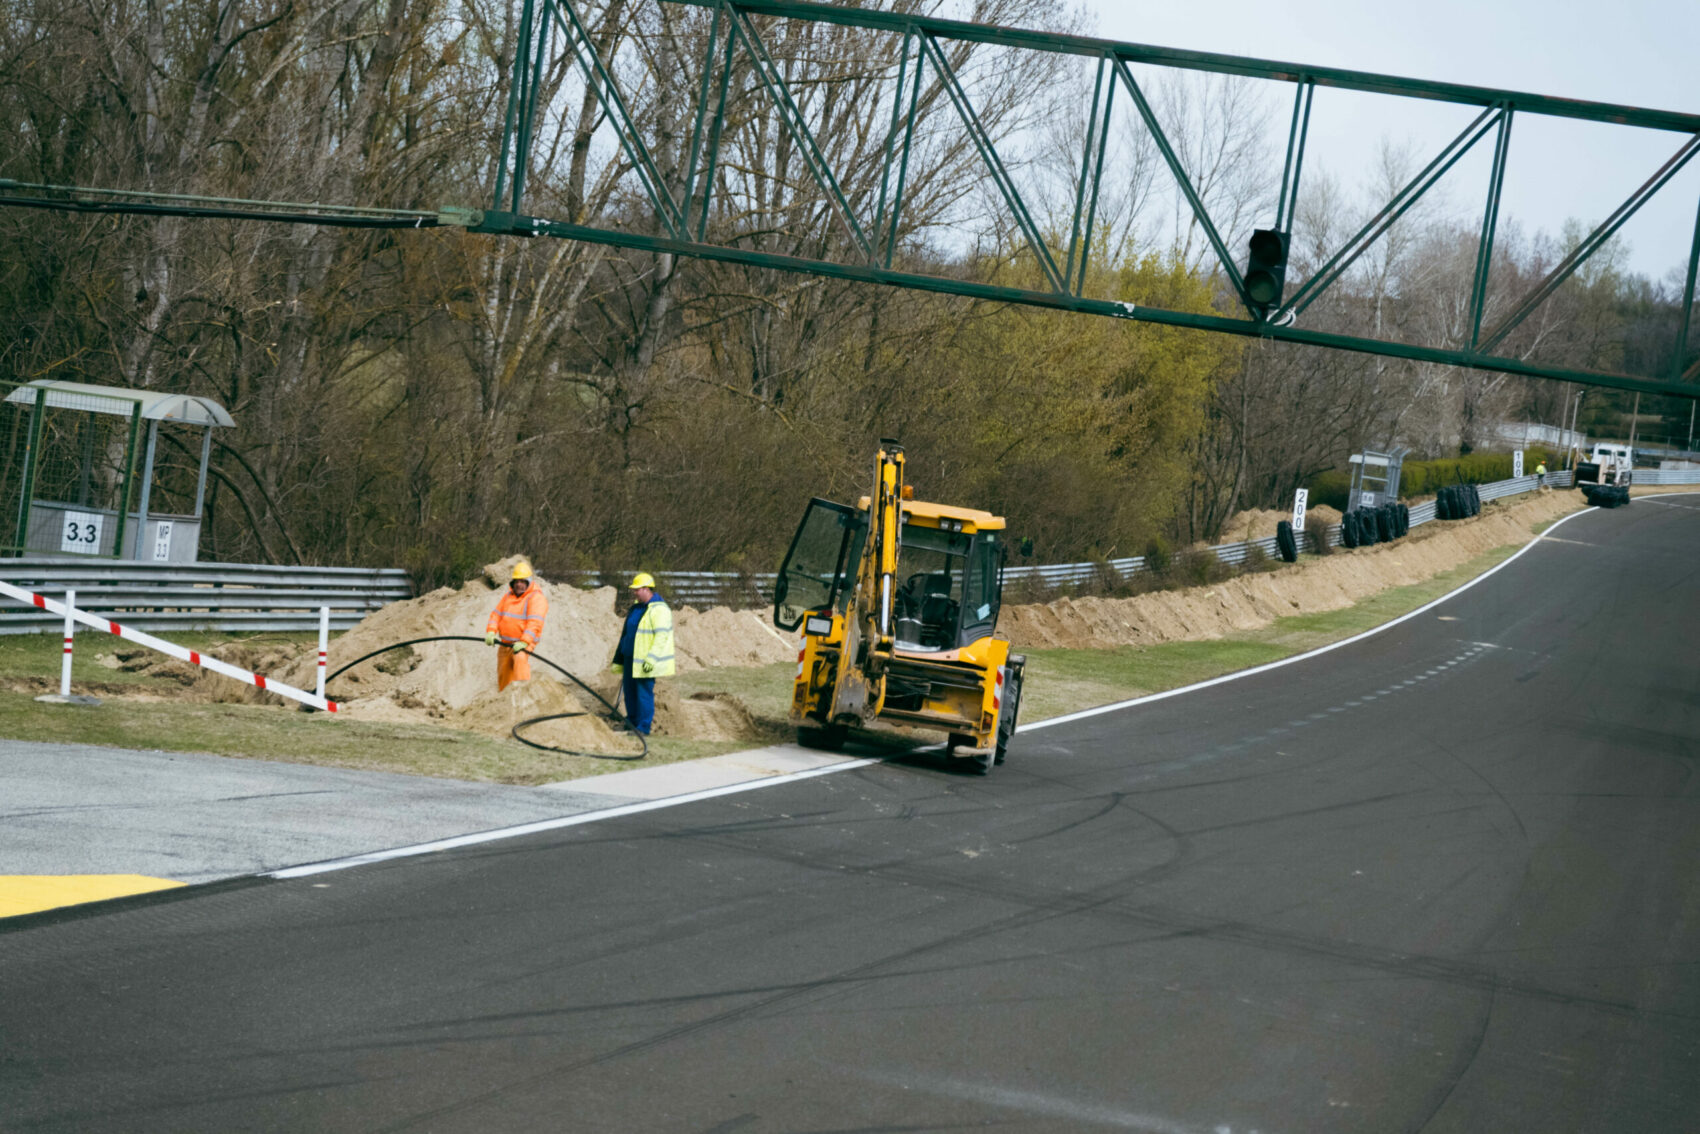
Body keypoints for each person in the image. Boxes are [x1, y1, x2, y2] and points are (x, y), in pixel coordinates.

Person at [610, 572, 674, 735]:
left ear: (646, 589)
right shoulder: (636, 608)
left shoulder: (659, 609)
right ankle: (632, 722)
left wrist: (651, 659)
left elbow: (661, 636)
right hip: (631, 658)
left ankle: (643, 728)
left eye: (637, 589)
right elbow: (627, 633)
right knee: (630, 693)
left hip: (645, 661)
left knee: (643, 695)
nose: (634, 592)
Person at [485, 561, 548, 691]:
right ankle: (504, 698)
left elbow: (535, 623)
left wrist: (524, 642)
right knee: (503, 673)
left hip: (523, 644)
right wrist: (491, 631)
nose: (519, 584)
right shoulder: (508, 596)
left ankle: (523, 696)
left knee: (519, 661)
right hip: (506, 643)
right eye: (517, 581)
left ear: (529, 582)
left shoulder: (536, 598)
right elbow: (496, 615)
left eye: (522, 581)